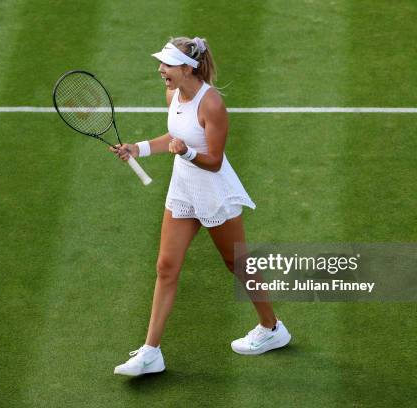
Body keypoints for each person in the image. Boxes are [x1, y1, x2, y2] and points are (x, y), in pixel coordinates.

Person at [111, 37, 291, 377]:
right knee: (166, 266)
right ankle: (151, 352)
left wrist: (186, 153)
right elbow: (174, 136)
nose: (160, 70)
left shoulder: (212, 106)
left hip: (212, 189)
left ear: (187, 68)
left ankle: (272, 328)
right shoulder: (173, 94)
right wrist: (138, 148)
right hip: (183, 189)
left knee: (237, 263)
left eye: (167, 65)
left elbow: (213, 160)